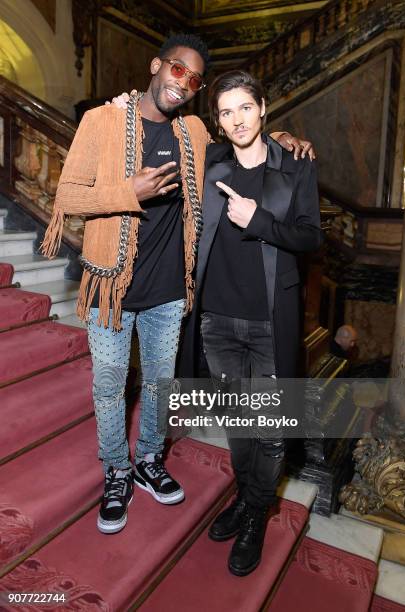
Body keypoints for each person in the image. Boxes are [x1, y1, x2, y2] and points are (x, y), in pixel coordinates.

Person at [42, 33, 314, 536]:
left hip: (170, 291)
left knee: (162, 387)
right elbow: (67, 196)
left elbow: (243, 137)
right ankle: (116, 472)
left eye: (193, 79)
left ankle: (147, 460)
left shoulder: (192, 131)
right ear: (155, 66)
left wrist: (282, 139)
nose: (182, 83)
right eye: (176, 70)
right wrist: (129, 191)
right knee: (109, 388)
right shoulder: (100, 121)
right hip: (111, 288)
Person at [180, 70, 321, 576]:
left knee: (271, 432)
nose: (236, 119)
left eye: (245, 107)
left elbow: (310, 237)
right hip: (217, 322)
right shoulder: (211, 161)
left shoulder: (295, 166)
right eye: (225, 111)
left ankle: (257, 512)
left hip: (268, 324)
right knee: (240, 423)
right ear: (217, 122)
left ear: (263, 107)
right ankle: (246, 498)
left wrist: (258, 219)